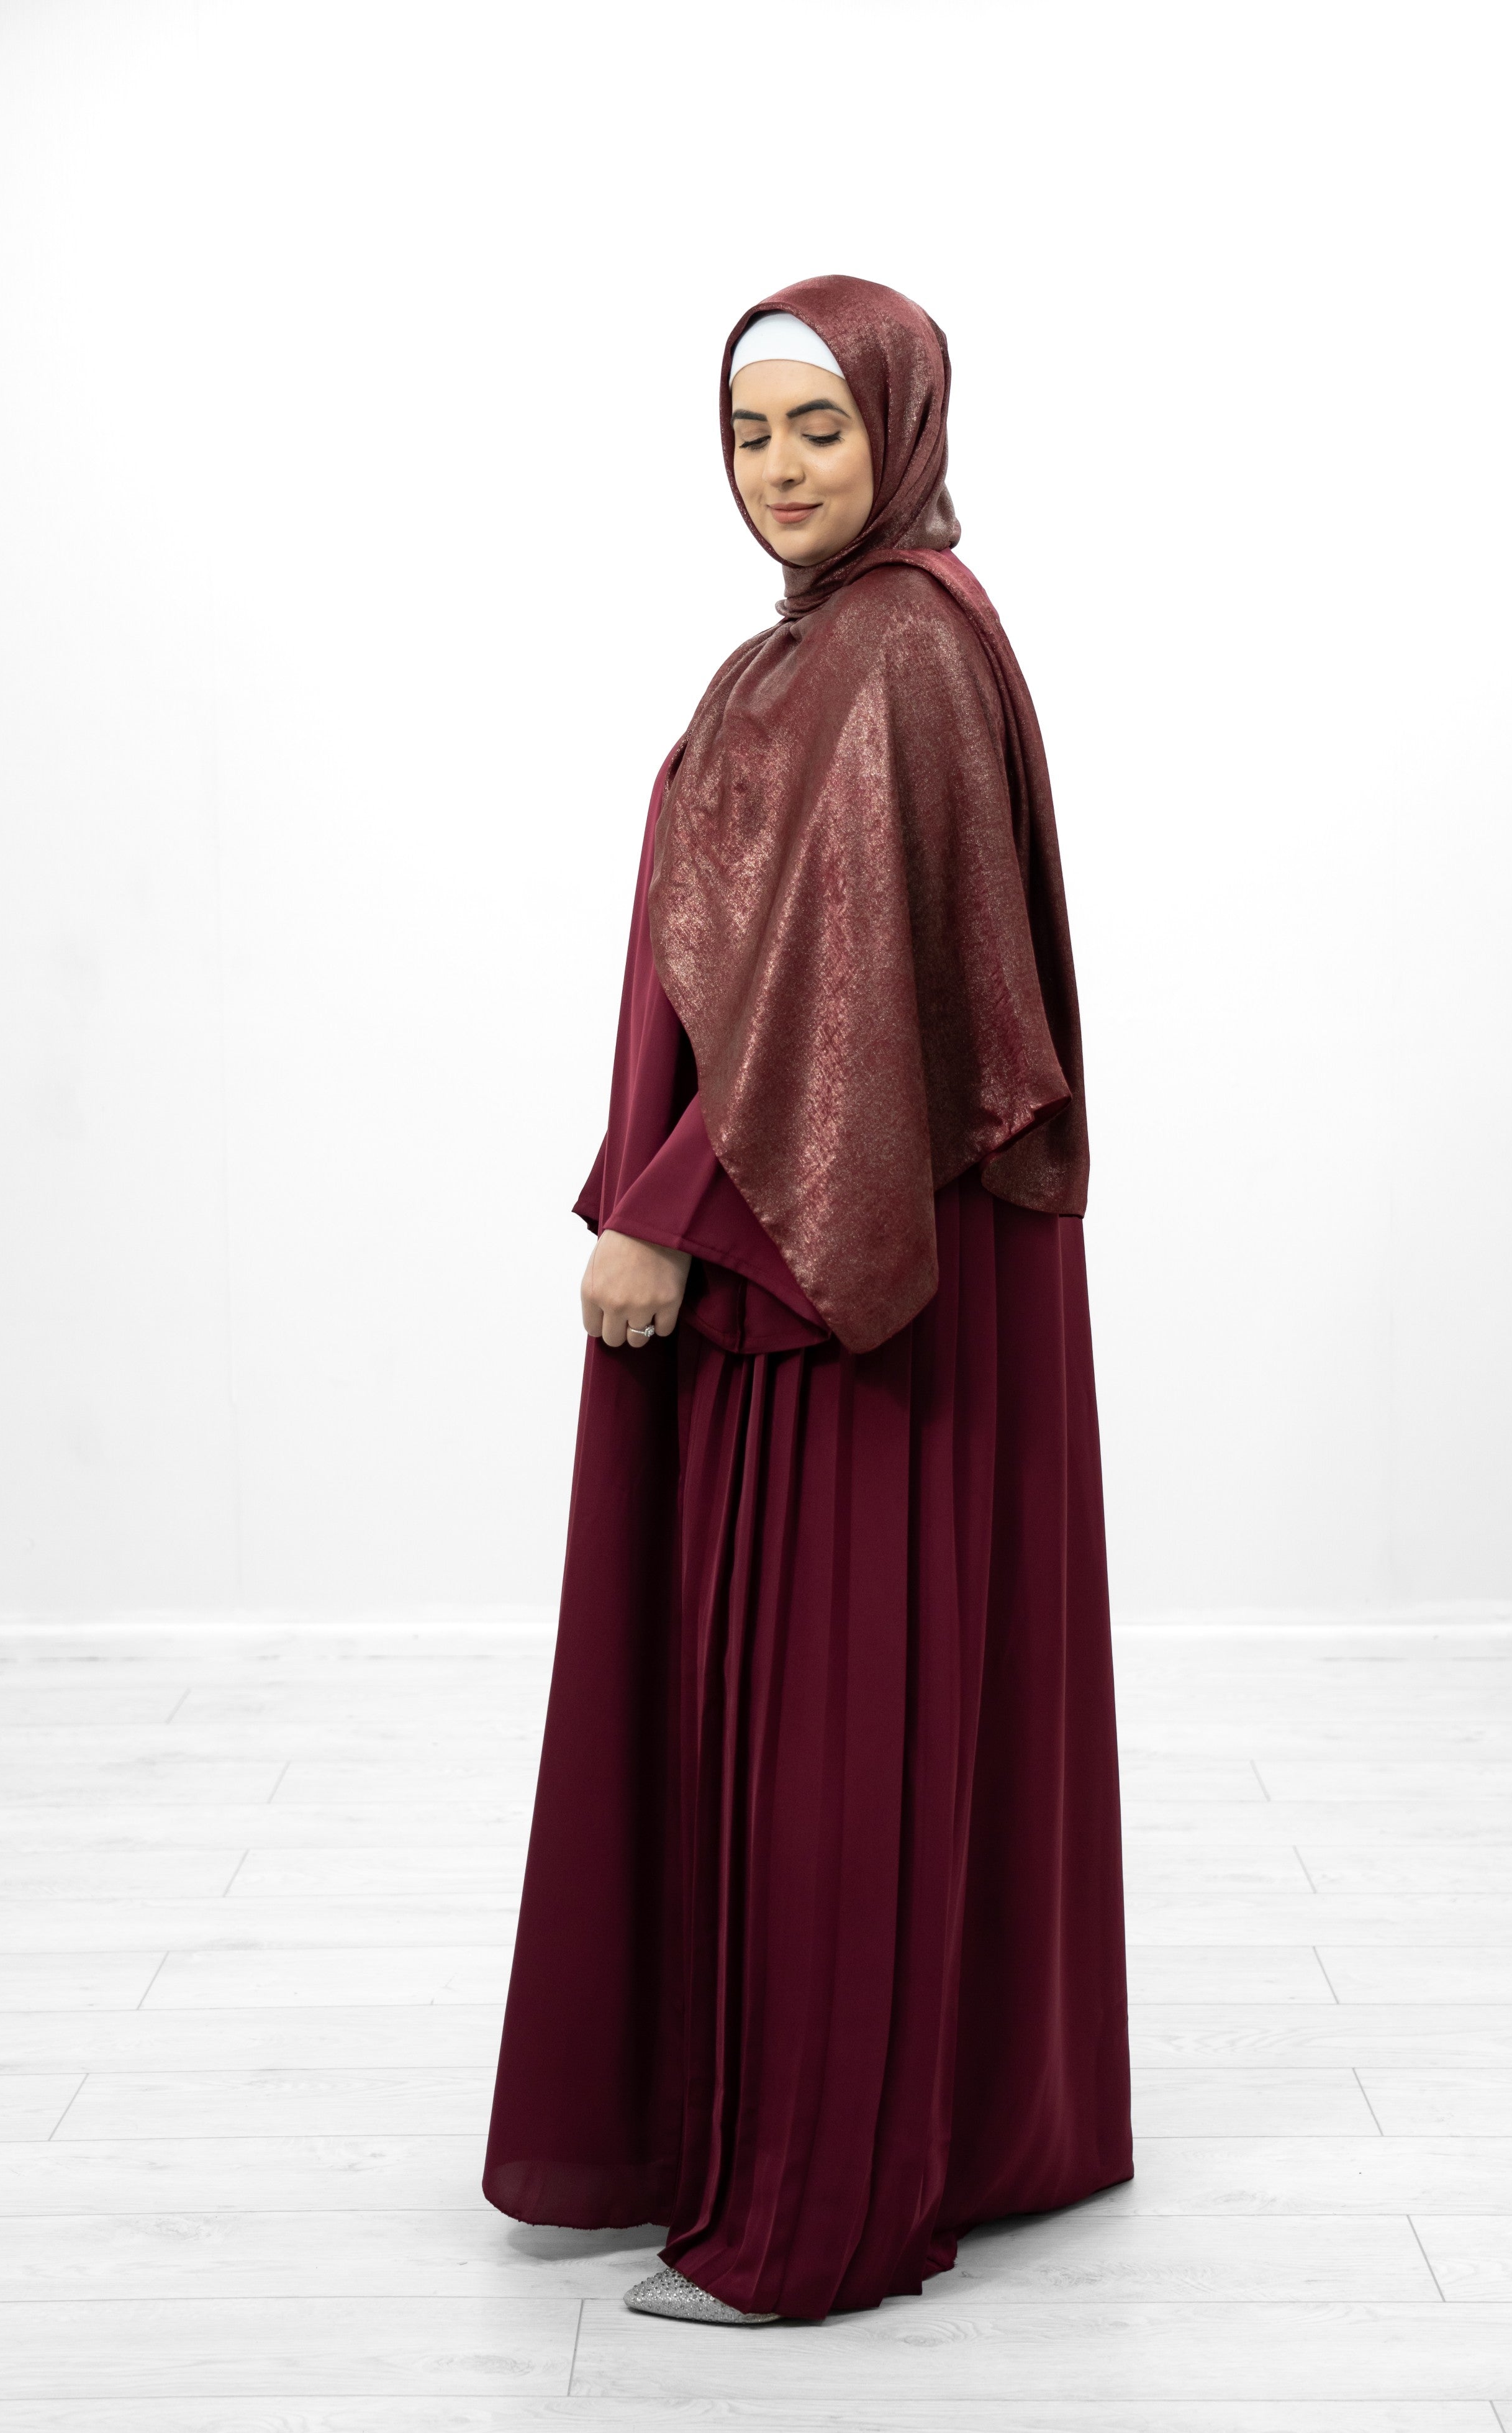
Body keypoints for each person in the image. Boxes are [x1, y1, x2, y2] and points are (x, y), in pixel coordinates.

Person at [483, 274, 1133, 2326]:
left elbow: (841, 1013)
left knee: (828, 1724)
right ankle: (906, 2130)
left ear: (901, 429)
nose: (777, 467)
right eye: (750, 431)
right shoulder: (847, 641)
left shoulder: (892, 653)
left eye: (818, 428)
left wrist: (662, 1215)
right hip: (826, 1236)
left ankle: (818, 2213)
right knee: (847, 1709)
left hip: (831, 1269)